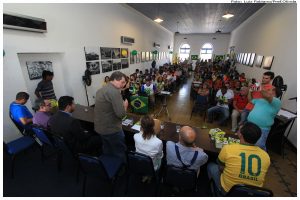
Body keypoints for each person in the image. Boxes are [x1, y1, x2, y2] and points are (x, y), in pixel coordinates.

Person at [207, 122, 271, 195]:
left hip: (229, 191)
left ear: (240, 135)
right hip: (253, 193)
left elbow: (220, 167)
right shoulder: (266, 156)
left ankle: (217, 193)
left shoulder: (228, 148)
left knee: (211, 165)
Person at [94, 71, 128, 163]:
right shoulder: (114, 92)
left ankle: (108, 166)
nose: (124, 85)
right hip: (112, 130)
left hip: (100, 128)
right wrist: (125, 106)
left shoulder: (101, 89)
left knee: (107, 150)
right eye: (123, 82)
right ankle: (121, 169)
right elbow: (121, 114)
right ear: (115, 80)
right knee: (119, 151)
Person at [247, 84, 281, 151]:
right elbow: (250, 100)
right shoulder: (261, 99)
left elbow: (267, 95)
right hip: (250, 125)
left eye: (270, 90)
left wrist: (259, 88)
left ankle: (263, 158)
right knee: (248, 142)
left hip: (262, 128)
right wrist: (250, 91)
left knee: (259, 146)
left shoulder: (277, 101)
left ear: (274, 93)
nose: (267, 91)